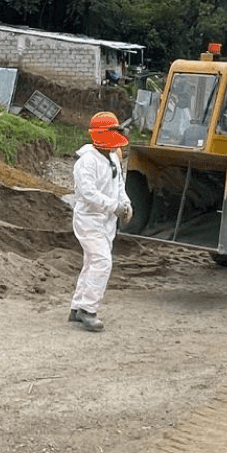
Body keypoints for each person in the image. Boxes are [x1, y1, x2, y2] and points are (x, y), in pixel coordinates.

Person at [68, 112, 132, 332]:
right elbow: (88, 194)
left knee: (92, 262)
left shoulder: (113, 158)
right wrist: (114, 206)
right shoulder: (86, 162)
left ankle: (77, 306)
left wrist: (126, 204)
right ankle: (88, 310)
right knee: (102, 262)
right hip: (88, 220)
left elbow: (119, 185)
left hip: (106, 221)